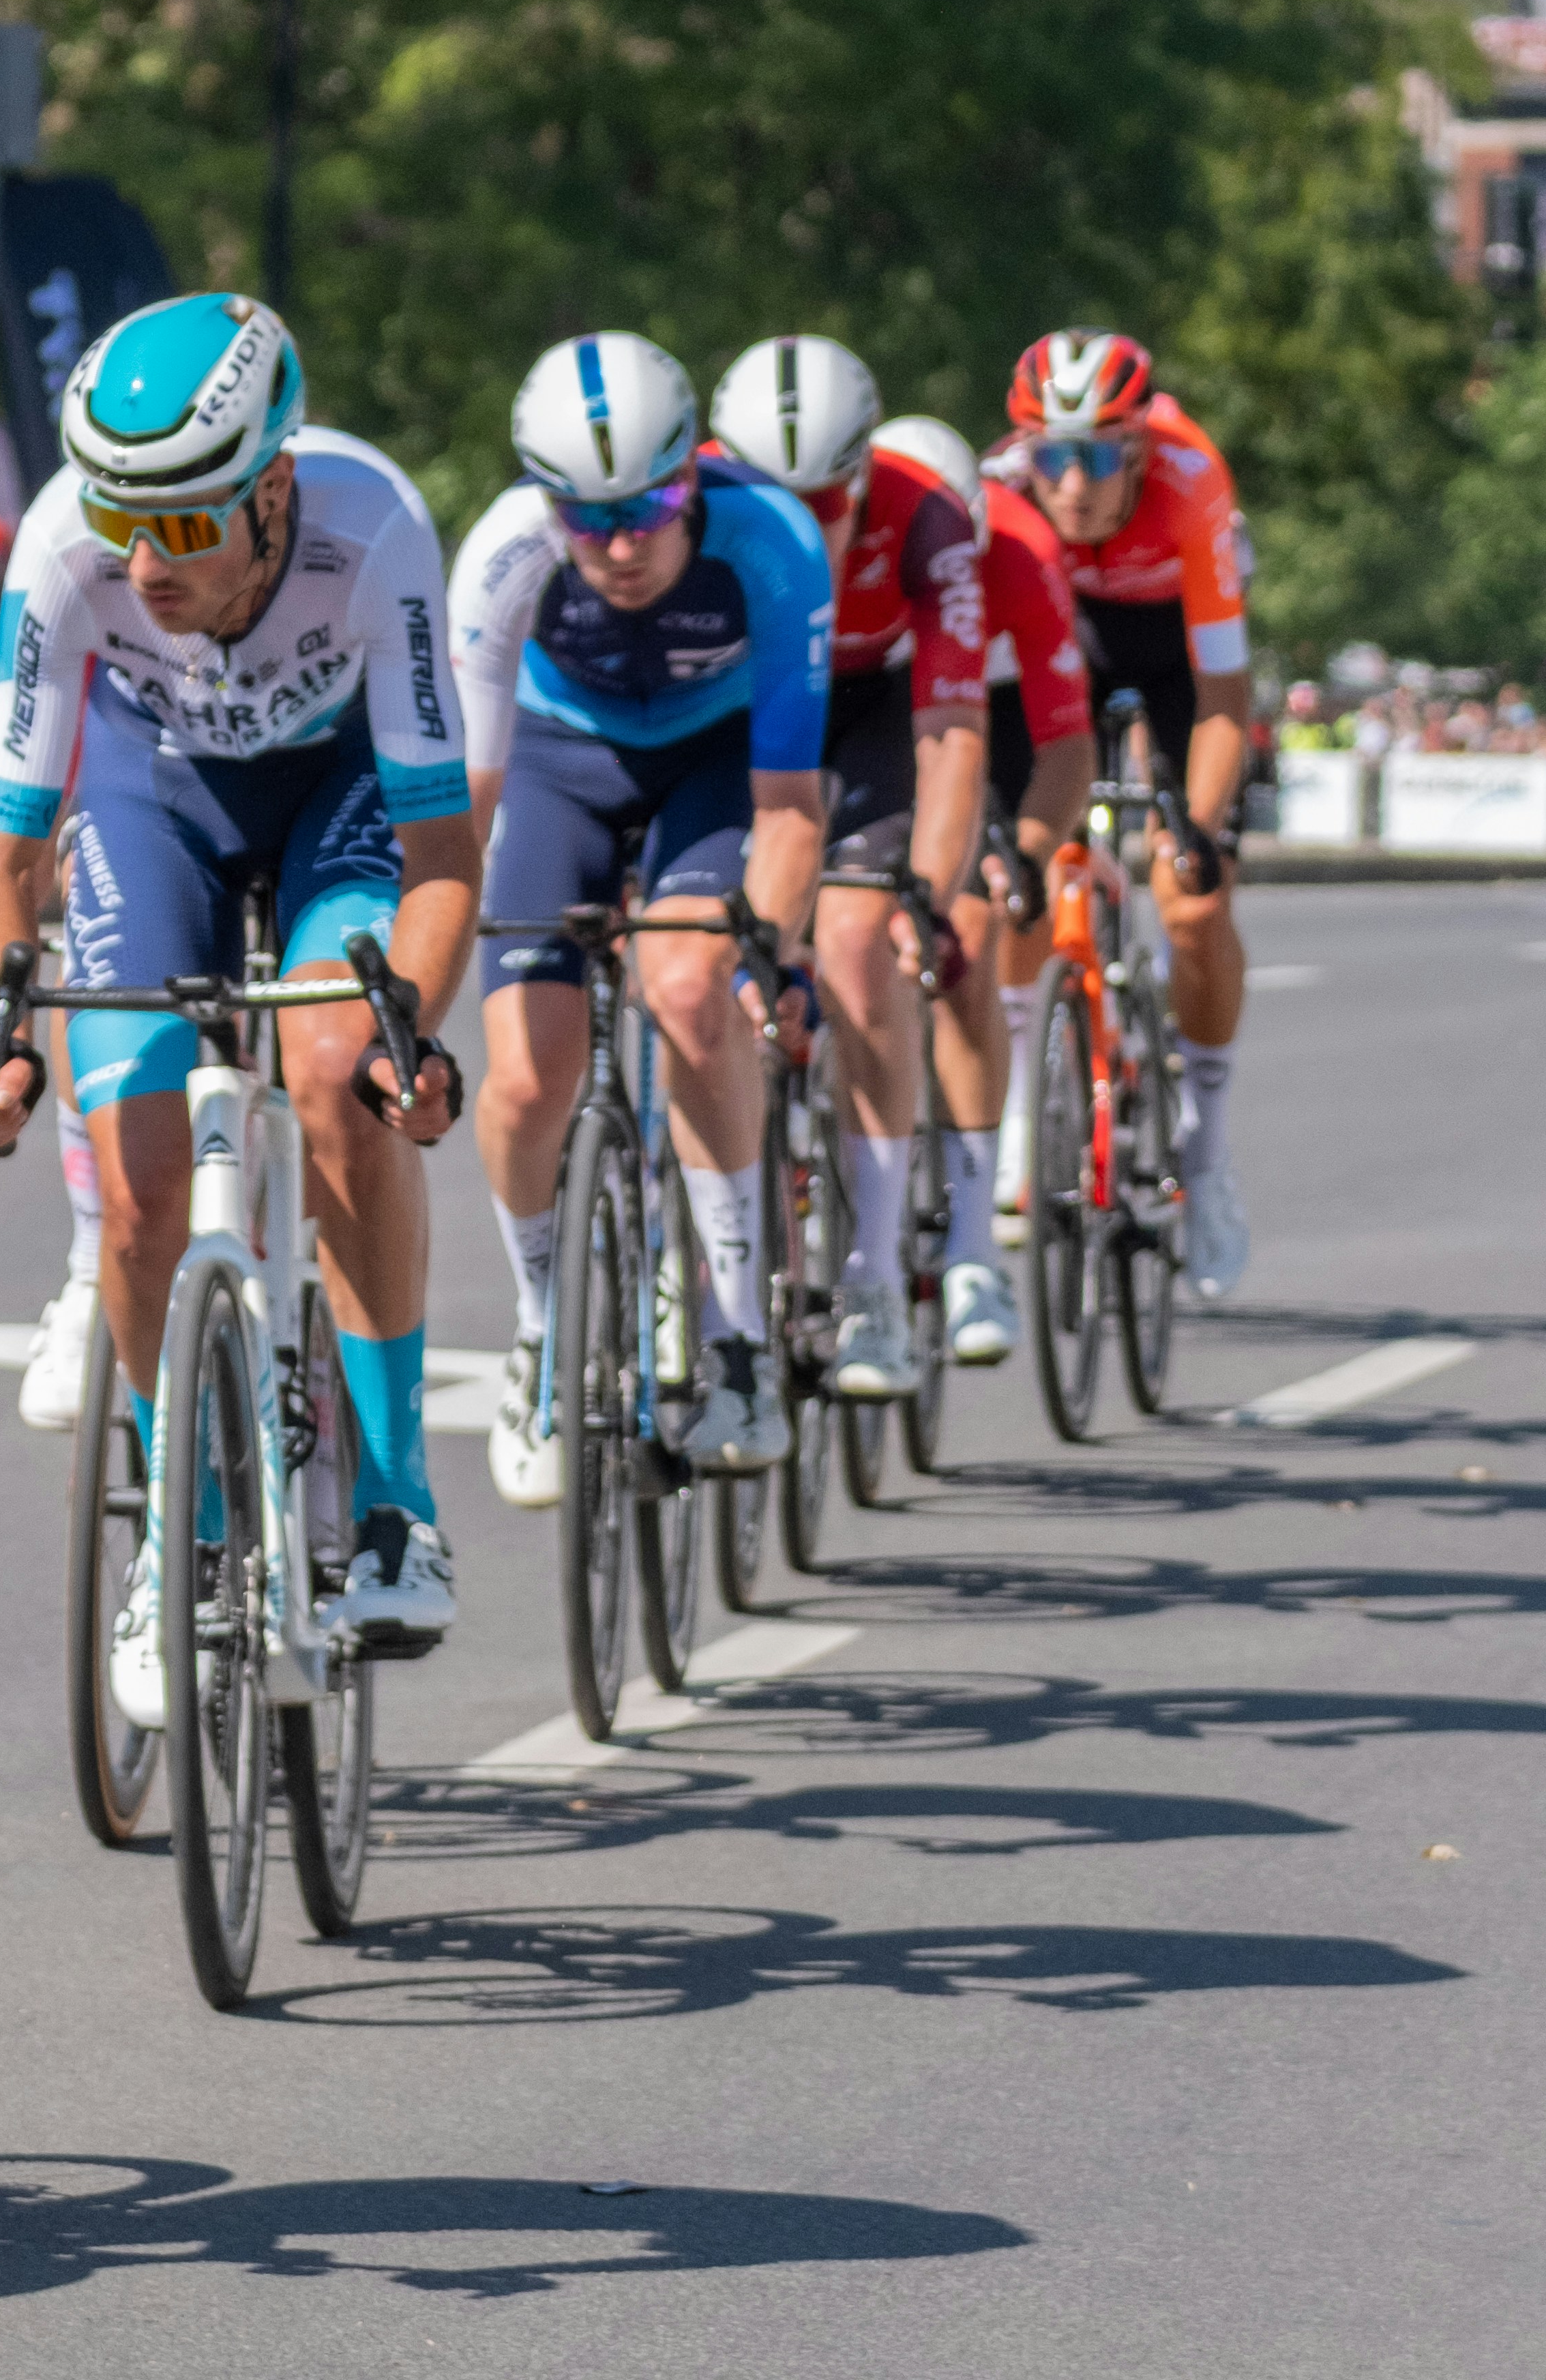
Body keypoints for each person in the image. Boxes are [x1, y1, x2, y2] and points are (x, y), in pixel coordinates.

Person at [0, 295, 477, 1674]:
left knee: (329, 1074)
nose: (142, 559)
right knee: (134, 1179)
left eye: (181, 523)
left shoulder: (374, 531)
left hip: (337, 800)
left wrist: (403, 1035)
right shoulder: (67, 546)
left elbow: (439, 857)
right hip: (153, 799)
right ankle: (184, 1536)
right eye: (121, 518)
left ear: (274, 486)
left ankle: (393, 1503)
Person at [450, 332, 830, 1507]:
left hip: (718, 768)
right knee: (522, 1083)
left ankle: (733, 1343)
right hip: (561, 763)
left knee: (685, 994)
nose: (618, 544)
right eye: (585, 514)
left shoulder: (775, 540)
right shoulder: (507, 553)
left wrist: (761, 951)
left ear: (694, 478)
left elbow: (790, 808)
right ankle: (538, 1332)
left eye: (652, 505)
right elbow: (461, 804)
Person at [705, 336, 985, 1400]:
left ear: (867, 470)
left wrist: (930, 888)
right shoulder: (681, 501)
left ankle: (872, 1270)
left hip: (869, 707)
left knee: (863, 942)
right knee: (684, 955)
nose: (798, 523)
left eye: (827, 499)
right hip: (741, 706)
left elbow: (955, 732)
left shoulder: (928, 519)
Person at [990, 331, 1256, 1302]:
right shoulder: (1003, 490)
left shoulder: (1193, 483)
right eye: (1049, 455)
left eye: (1096, 455)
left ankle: (1208, 1158)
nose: (1069, 481)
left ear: (1139, 449)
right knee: (1024, 878)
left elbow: (1225, 694)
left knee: (1193, 906)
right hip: (1066, 634)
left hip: (1173, 643)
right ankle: (1025, 1114)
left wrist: (1196, 827)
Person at [872, 413, 1092, 1360]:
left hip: (990, 727)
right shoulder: (843, 552)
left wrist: (1027, 854)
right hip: (872, 712)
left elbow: (1067, 746)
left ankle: (971, 1248)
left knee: (962, 933)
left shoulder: (1022, 552)